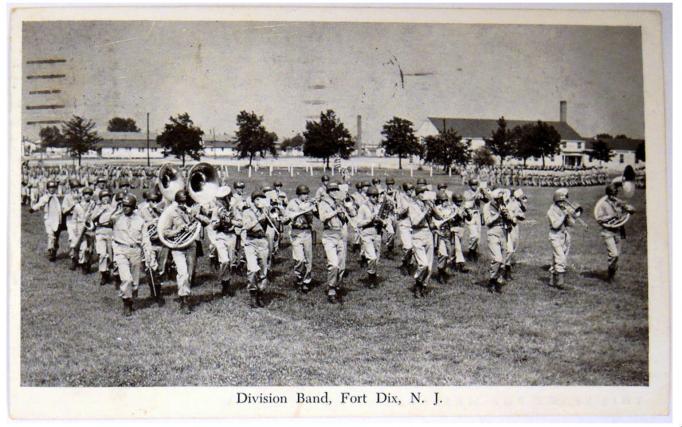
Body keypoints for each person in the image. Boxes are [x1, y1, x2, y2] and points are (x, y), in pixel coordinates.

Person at [104, 194, 157, 316]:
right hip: (121, 250)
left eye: (128, 206)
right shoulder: (116, 217)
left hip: (135, 251)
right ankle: (126, 303)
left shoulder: (140, 221)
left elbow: (145, 239)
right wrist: (114, 208)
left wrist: (148, 253)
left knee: (134, 282)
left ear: (133, 207)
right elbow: (103, 220)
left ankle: (131, 298)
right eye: (124, 206)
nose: (125, 208)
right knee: (126, 278)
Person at [160, 190, 200, 313]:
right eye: (181, 202)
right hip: (178, 247)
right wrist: (178, 230)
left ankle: (185, 294)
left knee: (189, 273)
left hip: (191, 245)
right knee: (182, 273)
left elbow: (205, 222)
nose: (184, 204)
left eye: (186, 202)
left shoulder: (191, 211)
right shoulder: (171, 212)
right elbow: (165, 232)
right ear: (176, 202)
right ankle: (184, 299)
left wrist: (196, 215)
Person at [594, 184, 636, 282]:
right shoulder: (603, 205)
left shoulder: (619, 203)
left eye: (615, 195)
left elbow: (633, 211)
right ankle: (610, 275)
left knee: (617, 256)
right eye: (611, 195)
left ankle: (611, 275)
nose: (613, 197)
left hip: (618, 231)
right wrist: (611, 216)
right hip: (607, 232)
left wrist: (629, 208)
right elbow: (599, 219)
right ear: (608, 194)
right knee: (614, 254)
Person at [317, 182, 350, 303]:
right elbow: (322, 218)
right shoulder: (323, 203)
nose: (336, 192)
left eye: (337, 190)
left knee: (341, 266)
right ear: (329, 192)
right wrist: (335, 211)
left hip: (340, 235)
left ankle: (336, 285)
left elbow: (349, 217)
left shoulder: (340, 203)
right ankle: (331, 289)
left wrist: (347, 208)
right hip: (329, 235)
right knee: (334, 264)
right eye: (334, 190)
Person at [241, 191, 272, 308]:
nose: (260, 202)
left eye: (262, 199)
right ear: (253, 201)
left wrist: (271, 215)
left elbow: (275, 224)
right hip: (251, 241)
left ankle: (260, 292)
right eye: (257, 200)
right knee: (253, 269)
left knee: (264, 270)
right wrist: (259, 218)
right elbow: (246, 226)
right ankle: (253, 293)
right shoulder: (247, 212)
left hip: (263, 241)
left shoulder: (265, 211)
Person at [284, 185, 316, 293]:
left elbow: (312, 218)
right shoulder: (292, 203)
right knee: (299, 258)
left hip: (307, 232)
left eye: (306, 194)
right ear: (298, 194)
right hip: (296, 232)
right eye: (303, 194)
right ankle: (298, 277)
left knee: (308, 259)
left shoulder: (310, 204)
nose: (305, 196)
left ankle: (306, 281)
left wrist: (310, 208)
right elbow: (285, 218)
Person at [210, 188, 242, 296]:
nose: (224, 201)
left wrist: (231, 221)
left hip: (231, 235)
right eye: (222, 199)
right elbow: (213, 226)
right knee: (224, 260)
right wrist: (220, 220)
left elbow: (240, 223)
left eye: (225, 199)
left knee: (231, 261)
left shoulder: (233, 209)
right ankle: (224, 284)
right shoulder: (216, 210)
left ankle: (226, 283)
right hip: (221, 235)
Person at [482, 189, 512, 293]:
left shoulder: (503, 205)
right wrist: (497, 215)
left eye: (501, 198)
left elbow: (511, 221)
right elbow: (487, 222)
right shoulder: (487, 206)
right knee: (497, 259)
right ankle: (492, 279)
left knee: (503, 261)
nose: (499, 200)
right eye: (497, 199)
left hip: (503, 233)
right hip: (493, 233)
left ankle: (498, 282)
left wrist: (508, 216)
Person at [408, 185, 435, 298]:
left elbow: (434, 221)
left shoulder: (428, 204)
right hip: (417, 234)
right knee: (422, 264)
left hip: (428, 233)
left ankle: (423, 286)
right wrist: (425, 211)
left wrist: (433, 210)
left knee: (429, 266)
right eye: (423, 192)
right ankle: (417, 283)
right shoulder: (412, 206)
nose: (425, 195)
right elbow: (415, 222)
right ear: (418, 194)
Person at [354, 186, 382, 289]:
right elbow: (358, 223)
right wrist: (370, 219)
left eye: (377, 196)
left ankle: (373, 274)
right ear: (368, 196)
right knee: (372, 257)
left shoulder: (378, 206)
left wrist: (382, 221)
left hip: (377, 233)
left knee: (376, 259)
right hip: (366, 234)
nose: (375, 198)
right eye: (373, 196)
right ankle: (371, 278)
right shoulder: (363, 207)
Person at [547, 188, 575, 290]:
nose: (564, 203)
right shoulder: (551, 211)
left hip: (564, 235)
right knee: (561, 258)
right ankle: (560, 282)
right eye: (562, 201)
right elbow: (555, 225)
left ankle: (552, 280)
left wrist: (570, 216)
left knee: (557, 258)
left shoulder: (563, 209)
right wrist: (563, 215)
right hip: (555, 236)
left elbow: (571, 224)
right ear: (557, 200)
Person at [29, 180, 63, 262]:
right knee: (50, 235)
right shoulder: (45, 197)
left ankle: (54, 250)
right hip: (49, 219)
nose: (52, 189)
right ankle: (50, 250)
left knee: (56, 237)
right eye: (50, 188)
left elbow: (60, 207)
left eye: (53, 188)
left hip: (57, 219)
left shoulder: (56, 197)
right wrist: (33, 208)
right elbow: (40, 203)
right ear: (47, 189)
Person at [431, 190, 456, 284]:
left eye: (446, 200)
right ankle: (440, 273)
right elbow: (433, 222)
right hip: (440, 235)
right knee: (443, 254)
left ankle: (443, 270)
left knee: (449, 256)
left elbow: (452, 222)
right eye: (443, 201)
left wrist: (451, 220)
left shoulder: (450, 209)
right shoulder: (436, 209)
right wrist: (437, 230)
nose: (446, 202)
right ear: (440, 201)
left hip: (448, 235)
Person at [504, 189, 528, 279]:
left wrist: (521, 201)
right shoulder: (508, 203)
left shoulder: (517, 203)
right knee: (509, 248)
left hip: (514, 227)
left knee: (514, 247)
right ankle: (505, 269)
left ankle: (507, 268)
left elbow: (523, 212)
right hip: (508, 227)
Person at [73, 187, 97, 274]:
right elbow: (74, 219)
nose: (88, 196)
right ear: (83, 195)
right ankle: (82, 264)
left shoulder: (94, 205)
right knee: (82, 248)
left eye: (90, 195)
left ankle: (88, 263)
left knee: (90, 248)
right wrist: (75, 229)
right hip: (80, 228)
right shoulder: (77, 206)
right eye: (86, 194)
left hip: (90, 228)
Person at [61, 179, 83, 270]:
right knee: (73, 239)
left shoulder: (81, 195)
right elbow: (64, 210)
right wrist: (72, 206)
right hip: (71, 220)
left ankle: (82, 259)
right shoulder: (67, 197)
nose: (76, 189)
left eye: (77, 187)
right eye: (74, 187)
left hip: (80, 219)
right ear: (70, 188)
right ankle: (73, 259)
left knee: (81, 238)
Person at [463, 178, 486, 262]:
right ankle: (471, 250)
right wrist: (476, 194)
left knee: (478, 236)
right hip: (470, 213)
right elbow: (468, 200)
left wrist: (483, 193)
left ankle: (474, 251)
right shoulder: (467, 192)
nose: (475, 186)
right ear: (470, 185)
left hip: (477, 214)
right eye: (473, 185)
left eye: (476, 185)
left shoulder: (478, 192)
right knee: (474, 235)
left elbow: (486, 200)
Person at [396, 182, 416, 275]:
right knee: (407, 246)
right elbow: (399, 212)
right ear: (405, 190)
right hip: (404, 224)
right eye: (409, 190)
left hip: (412, 224)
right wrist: (407, 209)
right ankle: (404, 264)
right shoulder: (401, 198)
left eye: (412, 189)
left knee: (413, 247)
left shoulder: (412, 198)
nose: (411, 191)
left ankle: (410, 264)